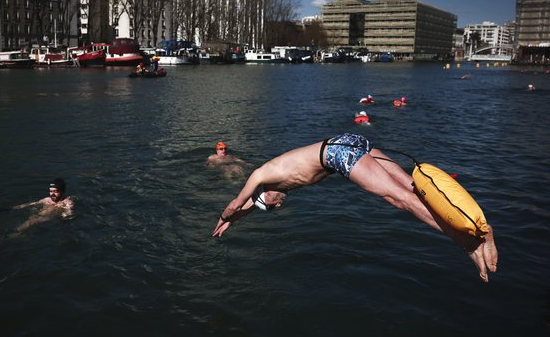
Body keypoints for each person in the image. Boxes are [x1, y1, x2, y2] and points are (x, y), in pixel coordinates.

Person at [213, 133, 498, 282]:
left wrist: (225, 216)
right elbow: (249, 206)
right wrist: (235, 220)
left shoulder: (261, 175)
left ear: (267, 196)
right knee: (414, 187)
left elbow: (239, 201)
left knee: (399, 198)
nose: (278, 207)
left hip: (339, 153)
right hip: (347, 140)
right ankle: (476, 227)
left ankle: (468, 240)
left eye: (272, 208)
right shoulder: (282, 183)